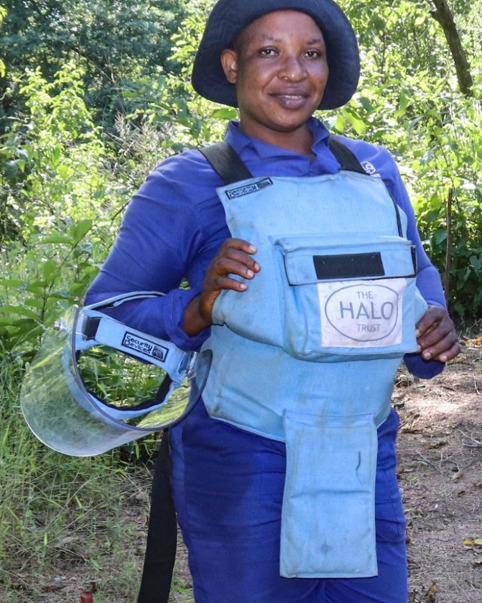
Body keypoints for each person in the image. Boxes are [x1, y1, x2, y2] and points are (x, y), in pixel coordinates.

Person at [85, 0, 459, 600]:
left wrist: (432, 325)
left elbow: (413, 270)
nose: (294, 72)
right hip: (244, 462)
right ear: (232, 66)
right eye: (270, 52)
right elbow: (106, 314)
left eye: (311, 54)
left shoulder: (372, 169)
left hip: (360, 453)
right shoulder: (187, 184)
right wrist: (199, 304)